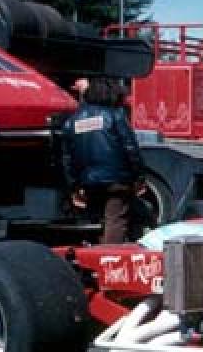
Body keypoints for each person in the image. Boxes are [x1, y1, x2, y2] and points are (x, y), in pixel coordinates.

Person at [61, 76, 146, 244]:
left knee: (98, 222)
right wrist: (139, 176)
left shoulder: (72, 121)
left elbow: (67, 158)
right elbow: (130, 148)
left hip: (89, 181)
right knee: (116, 219)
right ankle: (110, 255)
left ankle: (96, 252)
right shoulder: (115, 116)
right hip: (117, 179)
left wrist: (73, 186)